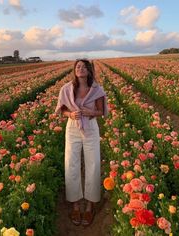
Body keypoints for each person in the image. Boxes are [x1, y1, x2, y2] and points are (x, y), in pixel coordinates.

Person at [55, 58, 108, 226]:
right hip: (72, 128)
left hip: (91, 127)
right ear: (74, 70)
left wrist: (89, 111)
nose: (81, 69)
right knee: (71, 163)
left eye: (84, 67)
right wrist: (70, 115)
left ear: (90, 71)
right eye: (78, 66)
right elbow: (62, 109)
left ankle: (90, 205)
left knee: (92, 164)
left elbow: (100, 111)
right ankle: (76, 204)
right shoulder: (66, 89)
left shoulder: (96, 89)